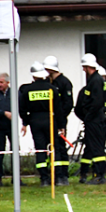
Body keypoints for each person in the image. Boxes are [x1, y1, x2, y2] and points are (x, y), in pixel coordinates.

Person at [18, 63, 62, 186]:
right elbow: (58, 109)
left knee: (40, 149)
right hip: (50, 119)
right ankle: (57, 177)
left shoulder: (27, 90)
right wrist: (61, 125)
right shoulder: (51, 88)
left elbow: (21, 109)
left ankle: (44, 178)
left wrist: (26, 121)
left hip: (35, 121)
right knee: (54, 148)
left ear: (33, 76)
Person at [75, 53, 106, 185]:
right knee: (92, 147)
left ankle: (99, 175)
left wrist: (88, 118)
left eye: (84, 67)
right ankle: (94, 174)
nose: (83, 69)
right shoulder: (95, 80)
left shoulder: (95, 81)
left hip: (94, 120)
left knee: (96, 148)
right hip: (95, 119)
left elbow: (96, 102)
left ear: (89, 66)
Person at [44, 56, 74, 185]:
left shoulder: (64, 83)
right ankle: (53, 174)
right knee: (50, 147)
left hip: (59, 121)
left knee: (60, 147)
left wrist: (60, 118)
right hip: (48, 120)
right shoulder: (48, 82)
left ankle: (63, 175)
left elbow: (68, 104)